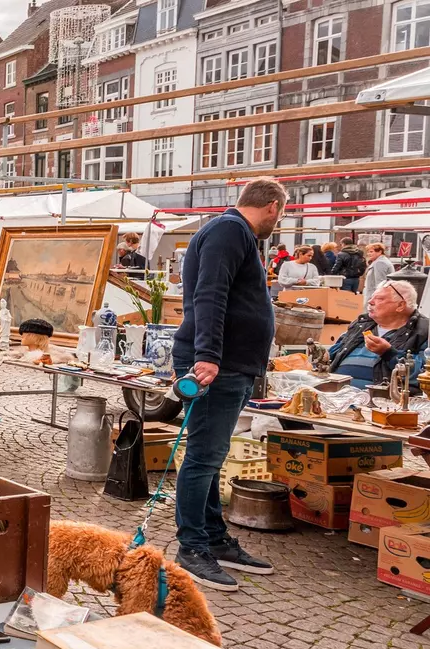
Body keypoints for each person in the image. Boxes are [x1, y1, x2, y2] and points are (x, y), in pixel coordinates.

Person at [172, 178, 284, 591]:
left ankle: (213, 538)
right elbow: (210, 294)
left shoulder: (229, 231)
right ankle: (191, 546)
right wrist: (207, 355)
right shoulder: (229, 230)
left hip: (229, 364)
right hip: (218, 365)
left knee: (212, 455)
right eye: (281, 214)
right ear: (273, 207)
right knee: (203, 456)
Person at [326, 281, 427, 389]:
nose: (370, 301)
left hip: (382, 401)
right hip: (337, 396)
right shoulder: (360, 325)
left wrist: (389, 353)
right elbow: (332, 356)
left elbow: (423, 375)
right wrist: (322, 355)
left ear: (400, 305)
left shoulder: (423, 331)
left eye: (379, 299)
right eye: (372, 297)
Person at [363, 243, 395, 308]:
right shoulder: (379, 261)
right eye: (368, 252)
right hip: (372, 295)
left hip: (373, 296)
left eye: (371, 252)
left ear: (380, 252)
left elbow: (380, 283)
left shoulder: (380, 262)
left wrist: (377, 298)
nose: (369, 254)